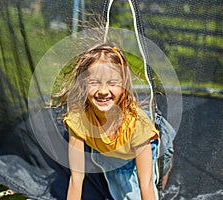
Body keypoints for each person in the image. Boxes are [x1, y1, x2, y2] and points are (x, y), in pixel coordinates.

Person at [53, 43, 162, 200]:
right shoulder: (78, 119)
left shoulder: (138, 124)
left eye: (112, 83)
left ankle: (165, 161)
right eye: (94, 82)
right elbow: (76, 179)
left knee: (161, 161)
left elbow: (145, 184)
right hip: (109, 149)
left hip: (139, 141)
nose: (103, 91)